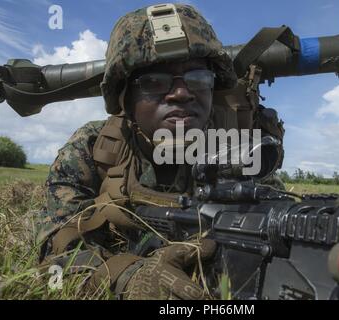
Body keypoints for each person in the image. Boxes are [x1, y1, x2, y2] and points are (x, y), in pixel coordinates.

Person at [35, 3, 284, 300]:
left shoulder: (239, 148)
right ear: (125, 97)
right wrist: (124, 278)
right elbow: (56, 252)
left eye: (199, 79)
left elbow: (278, 225)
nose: (181, 93)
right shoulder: (94, 147)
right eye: (154, 81)